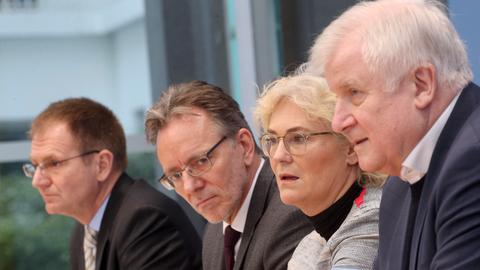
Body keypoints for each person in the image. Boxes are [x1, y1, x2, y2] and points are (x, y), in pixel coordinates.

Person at [307, 0, 480, 269]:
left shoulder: (473, 162)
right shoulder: (397, 186)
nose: (338, 122)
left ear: (421, 85)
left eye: (354, 93)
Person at [145, 80, 312, 270]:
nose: (190, 186)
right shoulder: (215, 233)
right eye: (175, 175)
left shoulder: (291, 213)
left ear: (244, 146)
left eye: (201, 161)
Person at [23, 97, 202, 270]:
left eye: (54, 163)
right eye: (36, 166)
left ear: (102, 165)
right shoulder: (84, 231)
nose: (37, 181)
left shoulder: (144, 218)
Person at [254, 74, 384, 270]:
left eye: (298, 138)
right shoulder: (311, 244)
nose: (279, 155)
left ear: (350, 147)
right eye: (272, 140)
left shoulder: (371, 217)